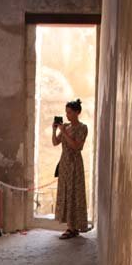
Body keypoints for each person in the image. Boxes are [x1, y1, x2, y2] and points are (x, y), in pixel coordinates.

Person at [52, 98, 89, 239]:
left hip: (75, 164)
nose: (67, 115)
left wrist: (64, 132)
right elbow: (55, 142)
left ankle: (73, 227)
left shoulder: (82, 128)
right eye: (66, 112)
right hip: (64, 163)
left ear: (77, 112)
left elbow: (77, 146)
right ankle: (69, 226)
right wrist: (55, 130)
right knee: (65, 193)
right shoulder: (65, 127)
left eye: (69, 112)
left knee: (75, 193)